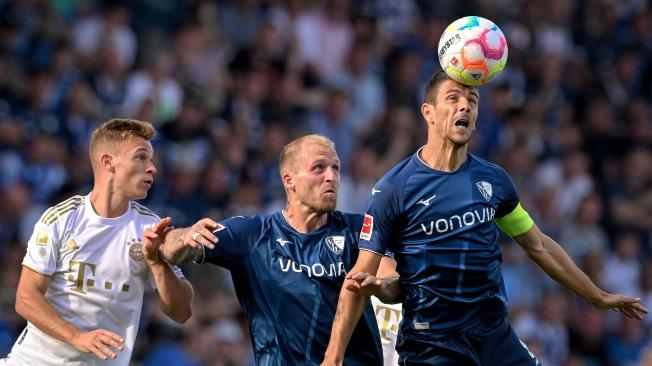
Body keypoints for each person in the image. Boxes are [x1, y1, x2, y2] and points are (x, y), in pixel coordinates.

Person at [322, 70, 649, 365]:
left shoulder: (493, 181)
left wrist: (596, 295)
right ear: (429, 113)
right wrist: (334, 358)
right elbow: (358, 282)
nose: (465, 106)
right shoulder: (393, 189)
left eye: (472, 101)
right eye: (453, 98)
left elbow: (539, 247)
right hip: (433, 345)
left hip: (494, 337)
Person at [146, 134, 394, 365]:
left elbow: (392, 278)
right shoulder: (253, 234)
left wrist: (383, 286)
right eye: (319, 168)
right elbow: (168, 247)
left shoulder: (358, 229)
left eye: (336, 168)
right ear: (289, 180)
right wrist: (185, 237)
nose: (331, 177)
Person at [2, 119, 193, 365]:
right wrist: (77, 337)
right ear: (108, 162)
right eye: (141, 157)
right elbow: (26, 298)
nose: (152, 168)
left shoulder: (150, 228)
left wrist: (158, 265)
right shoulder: (61, 219)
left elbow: (182, 312)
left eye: (152, 159)